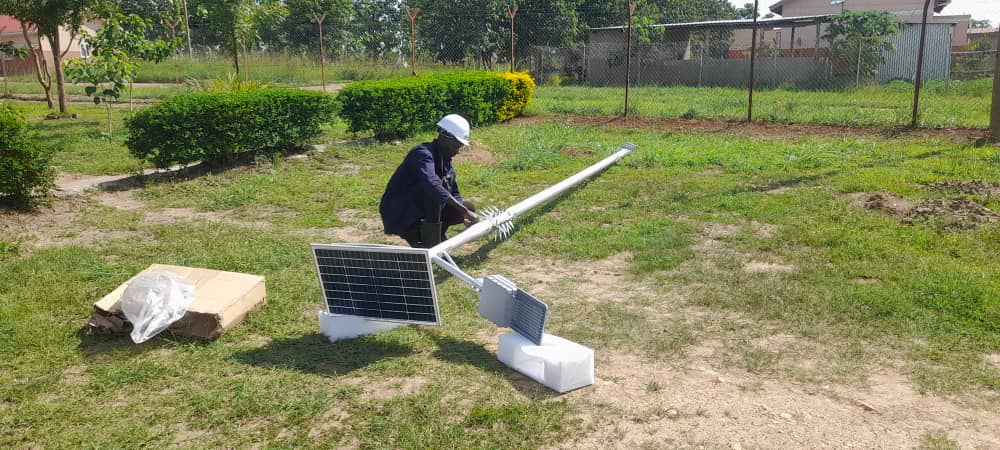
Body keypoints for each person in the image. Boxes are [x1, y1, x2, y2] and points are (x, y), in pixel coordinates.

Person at [380, 114, 479, 248]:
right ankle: (424, 242)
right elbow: (432, 184)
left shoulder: (444, 159)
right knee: (435, 195)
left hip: (420, 209)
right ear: (445, 137)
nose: (457, 151)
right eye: (456, 146)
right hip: (401, 212)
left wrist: (464, 213)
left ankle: (436, 237)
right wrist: (463, 210)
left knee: (466, 207)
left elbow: (453, 189)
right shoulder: (422, 154)